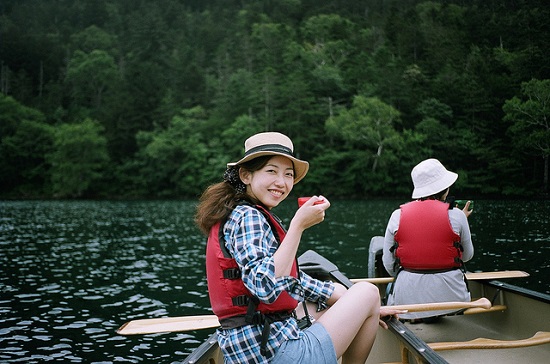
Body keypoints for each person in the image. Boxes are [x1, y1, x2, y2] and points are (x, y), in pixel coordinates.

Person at [195, 132, 402, 364]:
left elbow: (292, 281)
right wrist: (298, 226)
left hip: (254, 353)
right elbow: (266, 287)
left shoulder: (239, 211)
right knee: (369, 291)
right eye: (271, 171)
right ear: (245, 175)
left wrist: (357, 305)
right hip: (275, 356)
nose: (281, 182)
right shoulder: (249, 217)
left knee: (332, 301)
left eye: (288, 174)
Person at [382, 158, 474, 322]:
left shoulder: (397, 215)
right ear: (445, 189)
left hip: (407, 299)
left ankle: (416, 319)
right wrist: (462, 221)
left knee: (390, 288)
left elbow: (389, 264)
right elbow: (467, 256)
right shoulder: (458, 216)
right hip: (453, 298)